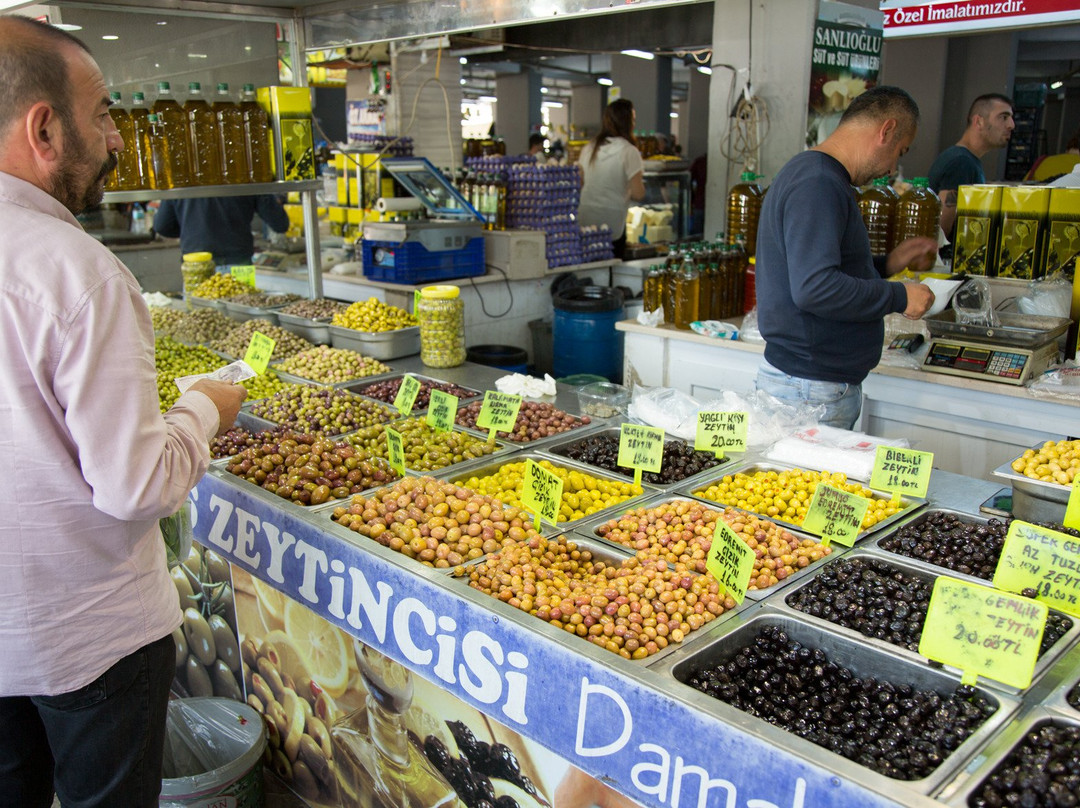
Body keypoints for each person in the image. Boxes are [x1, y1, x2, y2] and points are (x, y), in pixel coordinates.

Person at [0, 16, 245, 808]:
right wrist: (204, 408)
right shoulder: (77, 273)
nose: (115, 139)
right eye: (103, 113)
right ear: (45, 127)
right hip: (87, 634)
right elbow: (135, 485)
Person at [754, 86, 937, 431]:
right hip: (809, 390)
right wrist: (900, 296)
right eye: (900, 151)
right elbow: (815, 288)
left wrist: (887, 264)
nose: (892, 167)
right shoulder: (818, 183)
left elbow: (818, 268)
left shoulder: (813, 175)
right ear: (886, 131)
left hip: (807, 384)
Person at [928, 93, 1015, 240]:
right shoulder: (961, 162)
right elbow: (942, 230)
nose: (1011, 125)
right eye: (1003, 117)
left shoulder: (967, 160)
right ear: (979, 121)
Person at [576, 98, 645, 259]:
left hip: (585, 219)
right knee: (610, 270)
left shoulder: (589, 148)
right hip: (612, 222)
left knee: (589, 267)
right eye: (633, 119)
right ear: (627, 122)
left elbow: (579, 183)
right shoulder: (629, 151)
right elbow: (638, 193)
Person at [153, 194, 290, 269]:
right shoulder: (244, 174)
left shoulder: (182, 179)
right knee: (241, 316)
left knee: (198, 317)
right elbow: (280, 223)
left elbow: (162, 226)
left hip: (196, 265)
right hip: (238, 263)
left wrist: (192, 229)